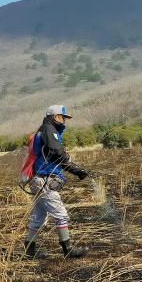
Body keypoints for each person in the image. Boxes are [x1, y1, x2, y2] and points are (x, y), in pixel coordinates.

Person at [24, 104, 90, 259]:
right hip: (44, 179)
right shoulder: (49, 130)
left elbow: (54, 155)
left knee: (38, 216)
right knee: (60, 214)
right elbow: (57, 153)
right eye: (62, 117)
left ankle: (29, 250)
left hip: (37, 180)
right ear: (54, 117)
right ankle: (68, 250)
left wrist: (75, 169)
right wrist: (75, 169)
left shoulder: (44, 130)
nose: (64, 121)